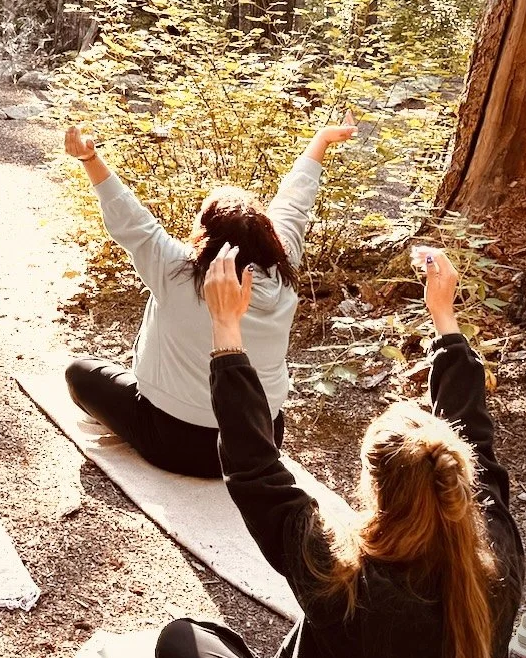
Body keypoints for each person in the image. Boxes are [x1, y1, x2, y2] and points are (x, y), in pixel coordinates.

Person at [155, 243, 526, 658]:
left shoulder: (333, 565)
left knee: (181, 641)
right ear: (457, 484)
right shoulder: (495, 561)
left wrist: (227, 328)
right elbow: (480, 444)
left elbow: (253, 466)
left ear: (371, 488)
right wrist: (446, 324)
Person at [61, 113, 356, 477]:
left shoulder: (175, 269)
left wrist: (90, 159)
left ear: (206, 235)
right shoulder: (283, 267)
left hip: (175, 443)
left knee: (79, 373)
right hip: (259, 442)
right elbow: (294, 203)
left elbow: (130, 220)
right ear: (266, 236)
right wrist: (321, 140)